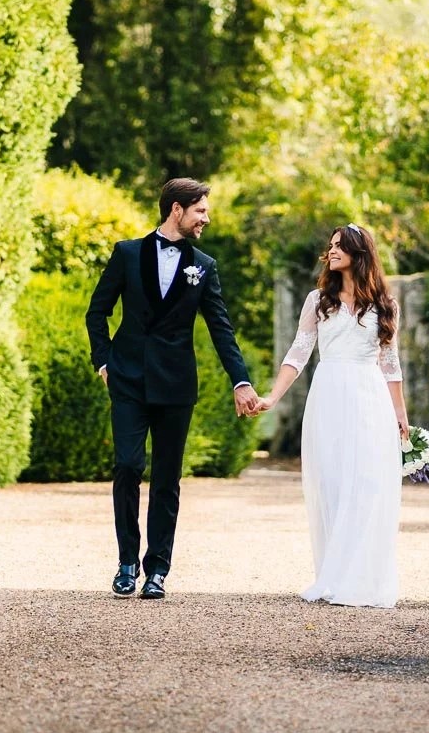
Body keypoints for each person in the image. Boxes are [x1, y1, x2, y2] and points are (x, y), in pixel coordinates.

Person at [85, 178, 259, 600]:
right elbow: (97, 312)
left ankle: (157, 569)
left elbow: (221, 328)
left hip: (176, 386)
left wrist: (241, 380)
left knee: (167, 478)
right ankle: (127, 561)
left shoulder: (205, 265)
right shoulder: (126, 254)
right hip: (127, 380)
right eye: (200, 210)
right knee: (127, 466)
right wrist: (104, 361)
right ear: (176, 210)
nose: (207, 218)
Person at [257, 224, 407, 608]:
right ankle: (333, 575)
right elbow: (298, 352)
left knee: (368, 484)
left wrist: (400, 416)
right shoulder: (318, 300)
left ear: (360, 253)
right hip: (329, 395)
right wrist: (273, 397)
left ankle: (362, 577)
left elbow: (390, 364)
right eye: (332, 245)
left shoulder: (386, 305)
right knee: (333, 483)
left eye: (340, 246)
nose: (332, 250)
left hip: (370, 396)